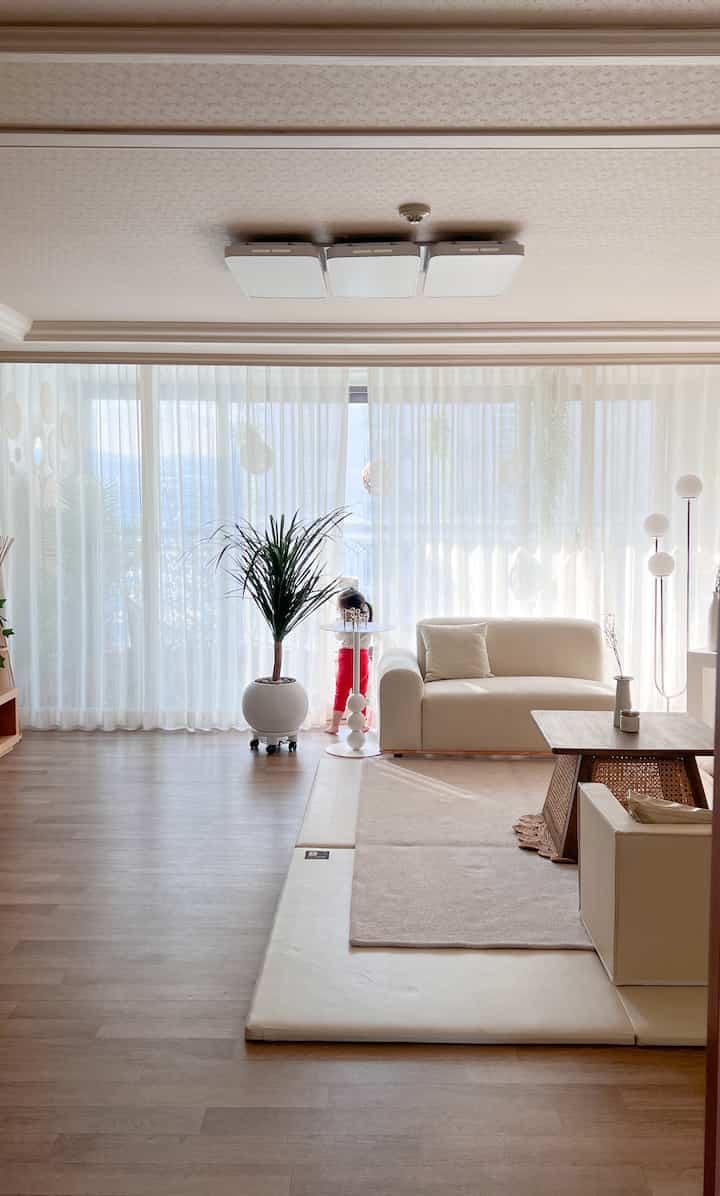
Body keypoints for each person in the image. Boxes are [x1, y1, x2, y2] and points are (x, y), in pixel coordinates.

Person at [325, 587, 374, 735]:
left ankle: (334, 725)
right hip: (363, 656)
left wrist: (340, 620)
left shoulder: (345, 622)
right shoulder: (367, 620)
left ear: (345, 608)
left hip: (347, 656)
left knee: (341, 691)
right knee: (361, 692)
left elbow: (338, 637)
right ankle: (361, 724)